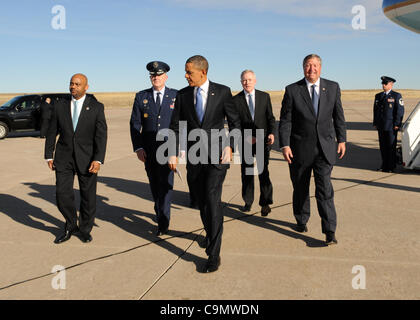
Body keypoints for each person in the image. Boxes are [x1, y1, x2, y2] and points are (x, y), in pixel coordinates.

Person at [168, 55, 241, 272]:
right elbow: (174, 126)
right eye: (186, 71)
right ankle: (210, 234)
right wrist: (172, 153)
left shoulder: (222, 92)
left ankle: (214, 254)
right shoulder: (182, 95)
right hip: (194, 156)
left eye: (189, 72)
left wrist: (231, 146)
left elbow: (235, 122)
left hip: (218, 155)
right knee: (201, 200)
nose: (185, 75)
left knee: (212, 198)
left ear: (203, 72)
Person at [278, 54, 346, 246]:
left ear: (320, 67)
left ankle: (329, 231)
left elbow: (338, 115)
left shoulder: (332, 87)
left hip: (325, 149)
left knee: (325, 190)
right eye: (308, 66)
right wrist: (285, 144)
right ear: (303, 68)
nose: (312, 69)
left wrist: (342, 139)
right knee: (300, 188)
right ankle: (301, 219)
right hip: (299, 150)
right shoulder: (293, 90)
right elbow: (286, 120)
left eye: (315, 65)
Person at [45, 73, 107, 244]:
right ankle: (71, 224)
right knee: (61, 194)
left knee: (88, 197)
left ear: (86, 87)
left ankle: (85, 229)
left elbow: (101, 136)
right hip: (63, 158)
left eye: (77, 84)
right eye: (71, 84)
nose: (73, 87)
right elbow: (52, 132)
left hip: (87, 159)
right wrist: (48, 155)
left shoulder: (96, 107)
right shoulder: (60, 106)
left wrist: (98, 159)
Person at [130, 61, 177, 236]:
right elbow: (135, 123)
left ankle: (164, 222)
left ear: (165, 76)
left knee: (166, 185)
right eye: (153, 75)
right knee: (155, 185)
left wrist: (177, 151)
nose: (155, 78)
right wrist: (138, 147)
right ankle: (159, 210)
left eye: (159, 75)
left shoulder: (175, 96)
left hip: (168, 149)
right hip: (148, 150)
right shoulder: (142, 96)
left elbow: (181, 124)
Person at [233, 70, 275, 216]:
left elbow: (270, 117)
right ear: (241, 82)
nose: (247, 82)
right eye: (244, 80)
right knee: (247, 172)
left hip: (262, 140)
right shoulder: (236, 100)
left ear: (255, 81)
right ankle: (248, 201)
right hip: (245, 141)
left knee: (263, 172)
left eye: (250, 80)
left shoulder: (264, 97)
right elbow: (235, 123)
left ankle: (266, 202)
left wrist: (271, 133)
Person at [373, 76, 404, 172]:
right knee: (383, 147)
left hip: (391, 126)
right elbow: (376, 110)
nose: (383, 85)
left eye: (385, 84)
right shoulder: (378, 96)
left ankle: (391, 166)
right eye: (382, 83)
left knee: (391, 147)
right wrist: (375, 122)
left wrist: (397, 124)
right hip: (381, 126)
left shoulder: (396, 96)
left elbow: (400, 111)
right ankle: (384, 165)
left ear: (391, 84)